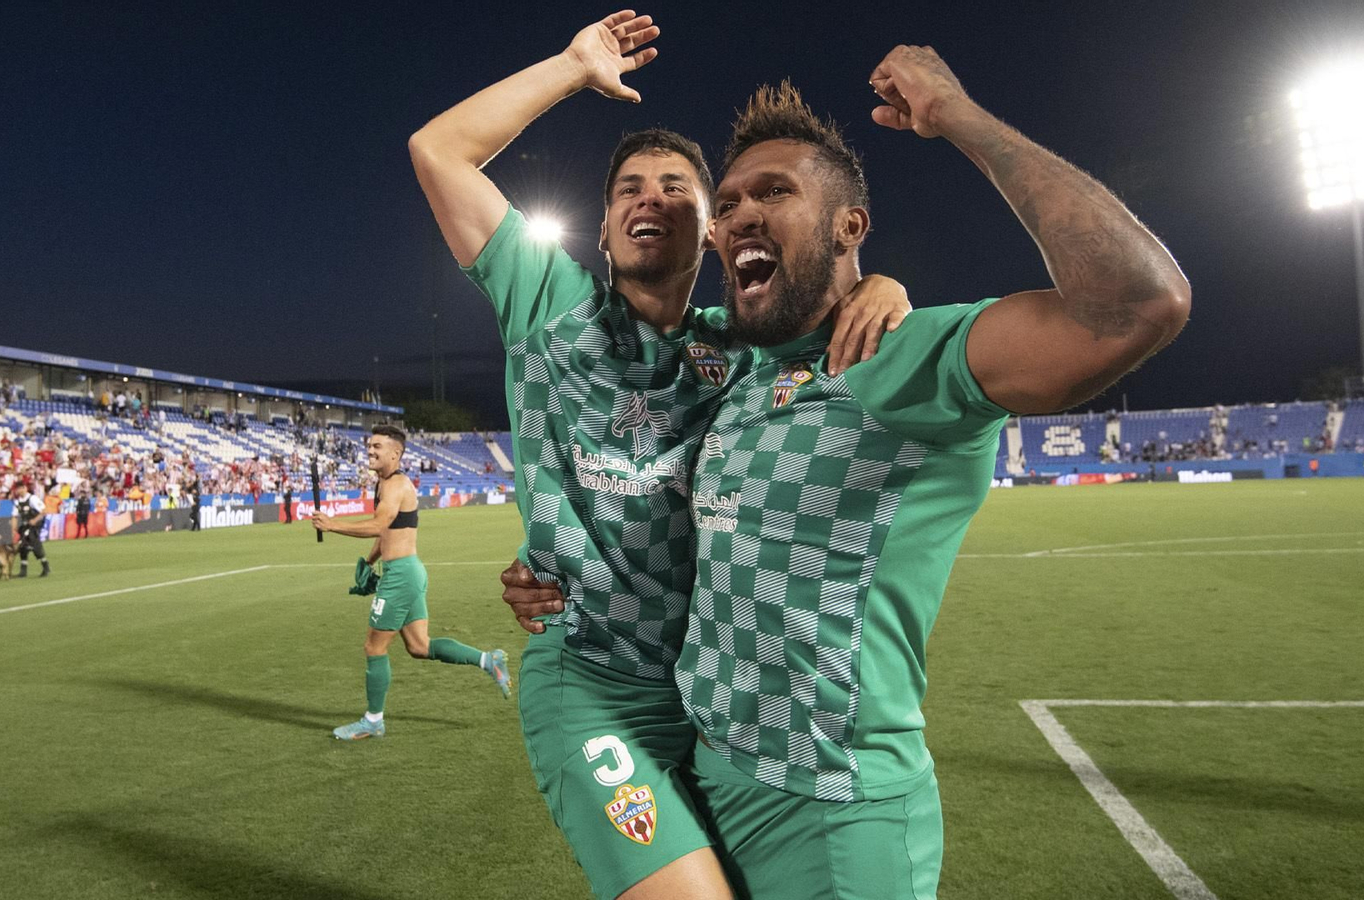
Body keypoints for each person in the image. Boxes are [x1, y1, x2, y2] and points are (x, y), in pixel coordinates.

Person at [506, 50, 1189, 897]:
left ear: (849, 227)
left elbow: (1137, 305)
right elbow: (637, 498)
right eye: (729, 205)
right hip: (705, 776)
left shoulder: (907, 358)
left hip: (835, 813)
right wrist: (549, 572)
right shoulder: (733, 370)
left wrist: (958, 118)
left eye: (775, 194)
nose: (740, 215)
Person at [410, 11, 909, 900]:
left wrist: (879, 281)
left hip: (716, 706)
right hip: (591, 684)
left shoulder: (744, 351)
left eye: (679, 187)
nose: (652, 198)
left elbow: (831, 301)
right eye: (629, 188)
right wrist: (572, 67)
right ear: (601, 232)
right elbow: (439, 151)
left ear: (716, 229)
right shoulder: (548, 308)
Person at [311, 425, 510, 741]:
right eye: (369, 446)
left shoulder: (397, 485)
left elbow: (378, 524)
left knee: (374, 647)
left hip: (402, 577)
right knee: (419, 646)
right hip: (406, 571)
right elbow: (386, 533)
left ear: (395, 452)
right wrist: (370, 563)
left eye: (377, 446)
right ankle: (489, 660)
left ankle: (373, 720)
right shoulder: (383, 483)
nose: (371, 451)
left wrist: (332, 525)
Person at [12, 481, 51, 577]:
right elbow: (14, 516)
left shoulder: (32, 499)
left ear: (25, 488)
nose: (18, 491)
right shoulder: (17, 502)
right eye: (17, 489)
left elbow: (43, 511)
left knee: (35, 544)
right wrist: (13, 529)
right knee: (22, 547)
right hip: (26, 525)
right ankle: (23, 570)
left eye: (20, 488)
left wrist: (35, 520)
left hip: (35, 525)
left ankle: (46, 567)